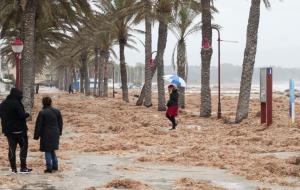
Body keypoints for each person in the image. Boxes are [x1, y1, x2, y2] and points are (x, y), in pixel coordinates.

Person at [0, 88, 32, 174]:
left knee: (11, 149)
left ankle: (13, 169)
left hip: (9, 132)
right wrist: (27, 114)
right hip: (20, 131)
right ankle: (23, 168)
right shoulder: (17, 103)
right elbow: (21, 116)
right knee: (23, 148)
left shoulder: (3, 104)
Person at [34, 96, 63, 173]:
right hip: (55, 133)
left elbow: (39, 125)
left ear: (43, 103)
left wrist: (36, 136)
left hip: (46, 134)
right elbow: (60, 123)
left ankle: (49, 168)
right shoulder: (57, 111)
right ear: (51, 102)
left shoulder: (42, 112)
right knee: (52, 150)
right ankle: (55, 166)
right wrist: (59, 132)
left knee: (47, 150)